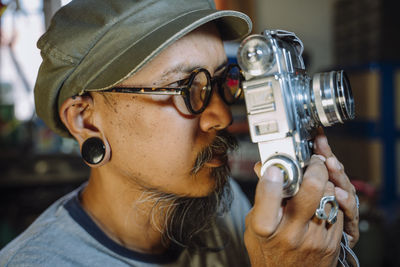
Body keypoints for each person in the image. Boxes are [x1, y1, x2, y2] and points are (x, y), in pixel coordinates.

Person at [0, 0, 359, 266]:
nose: (219, 115)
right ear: (86, 121)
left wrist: (324, 250)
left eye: (222, 82)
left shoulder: (224, 201)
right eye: (185, 88)